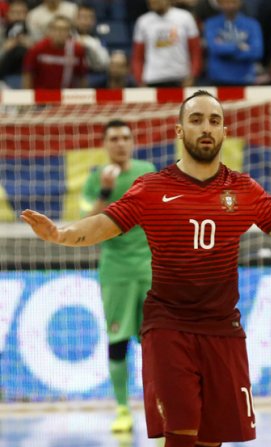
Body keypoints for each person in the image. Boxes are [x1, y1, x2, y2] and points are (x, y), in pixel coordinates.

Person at [21, 90, 271, 447]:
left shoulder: (244, 189)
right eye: (197, 119)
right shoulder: (151, 188)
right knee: (181, 429)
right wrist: (60, 234)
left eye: (214, 120)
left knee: (211, 436)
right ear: (180, 131)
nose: (206, 127)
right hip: (168, 325)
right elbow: (104, 223)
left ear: (224, 131)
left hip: (222, 329)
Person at [79, 120, 155, 433]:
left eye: (126, 137)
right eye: (114, 138)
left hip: (151, 269)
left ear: (133, 142)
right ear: (105, 144)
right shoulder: (96, 179)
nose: (121, 143)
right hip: (116, 272)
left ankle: (159, 407)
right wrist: (106, 192)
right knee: (118, 340)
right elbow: (86, 222)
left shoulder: (147, 170)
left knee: (157, 343)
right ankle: (123, 409)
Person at [132, 0, 202, 87]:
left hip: (181, 77)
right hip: (153, 78)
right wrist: (139, 80)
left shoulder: (185, 17)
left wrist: (193, 75)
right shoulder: (143, 21)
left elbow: (195, 50)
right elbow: (137, 56)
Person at [203, 0, 263, 86]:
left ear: (240, 3)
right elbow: (214, 49)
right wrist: (238, 46)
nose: (229, 6)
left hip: (244, 77)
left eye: (233, 2)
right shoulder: (211, 23)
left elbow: (256, 52)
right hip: (218, 77)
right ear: (219, 4)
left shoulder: (252, 24)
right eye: (225, 2)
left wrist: (225, 49)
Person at [22, 15, 87, 88]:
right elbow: (27, 75)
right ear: (50, 31)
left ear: (69, 32)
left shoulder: (77, 50)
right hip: (42, 95)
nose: (60, 33)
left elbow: (82, 77)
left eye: (64, 29)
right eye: (56, 29)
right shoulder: (37, 49)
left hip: (66, 96)